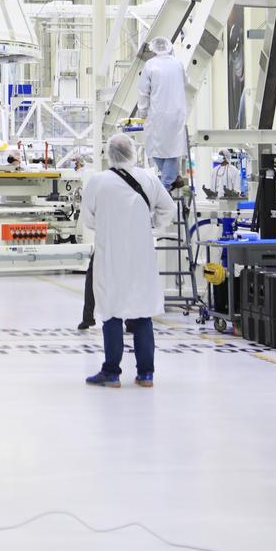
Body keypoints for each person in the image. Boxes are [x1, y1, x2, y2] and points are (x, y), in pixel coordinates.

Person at [81, 134, 175, 388]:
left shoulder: (98, 182)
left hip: (110, 256)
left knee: (111, 312)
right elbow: (169, 209)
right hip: (140, 257)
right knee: (142, 312)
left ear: (109, 154)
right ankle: (146, 374)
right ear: (133, 152)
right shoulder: (149, 179)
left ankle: (111, 372)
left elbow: (88, 220)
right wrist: (151, 224)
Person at [136, 36, 188, 192]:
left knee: (156, 149)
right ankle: (171, 178)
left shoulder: (150, 65)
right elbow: (186, 81)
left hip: (157, 114)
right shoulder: (178, 64)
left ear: (153, 49)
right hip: (177, 113)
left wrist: (142, 113)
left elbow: (143, 92)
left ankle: (165, 186)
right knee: (173, 149)